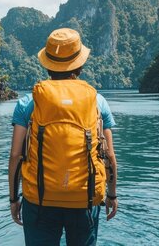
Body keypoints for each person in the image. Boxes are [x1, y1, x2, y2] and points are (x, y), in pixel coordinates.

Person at [8, 28, 118, 246]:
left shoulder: (28, 103)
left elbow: (15, 156)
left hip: (38, 200)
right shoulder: (98, 102)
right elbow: (109, 156)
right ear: (80, 64)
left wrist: (14, 199)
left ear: (47, 64)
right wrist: (112, 195)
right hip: (84, 200)